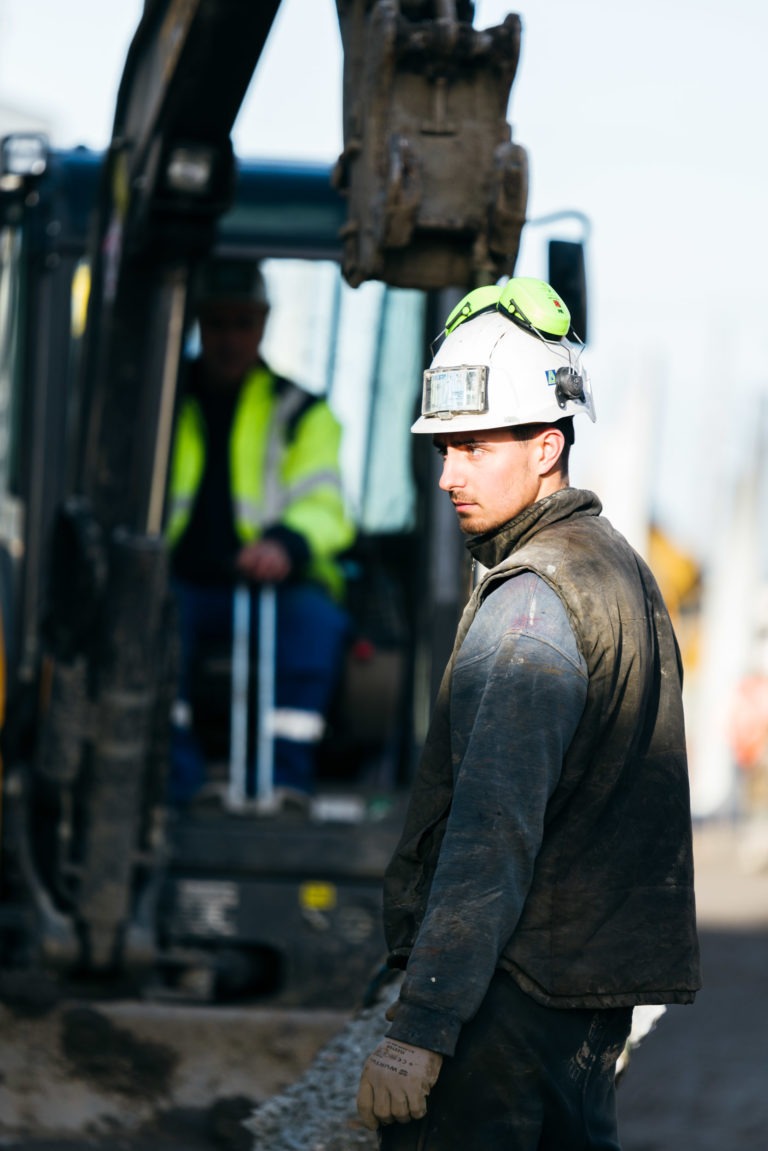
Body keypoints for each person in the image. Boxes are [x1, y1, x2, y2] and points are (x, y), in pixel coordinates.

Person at [356, 278, 701, 1149]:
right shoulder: (616, 568)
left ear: (546, 446)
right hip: (582, 991)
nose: (447, 475)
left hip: (506, 999)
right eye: (442, 449)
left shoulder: (531, 607)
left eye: (472, 446)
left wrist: (423, 1026)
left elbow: (490, 835)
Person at [165, 256, 355, 807]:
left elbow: (326, 504)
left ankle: (285, 782)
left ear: (264, 323)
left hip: (276, 583)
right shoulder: (160, 401)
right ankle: (181, 782)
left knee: (316, 622)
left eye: (243, 323)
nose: (229, 338)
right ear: (198, 323)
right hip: (181, 581)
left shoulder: (301, 411)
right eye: (218, 323)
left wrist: (285, 545)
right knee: (144, 621)